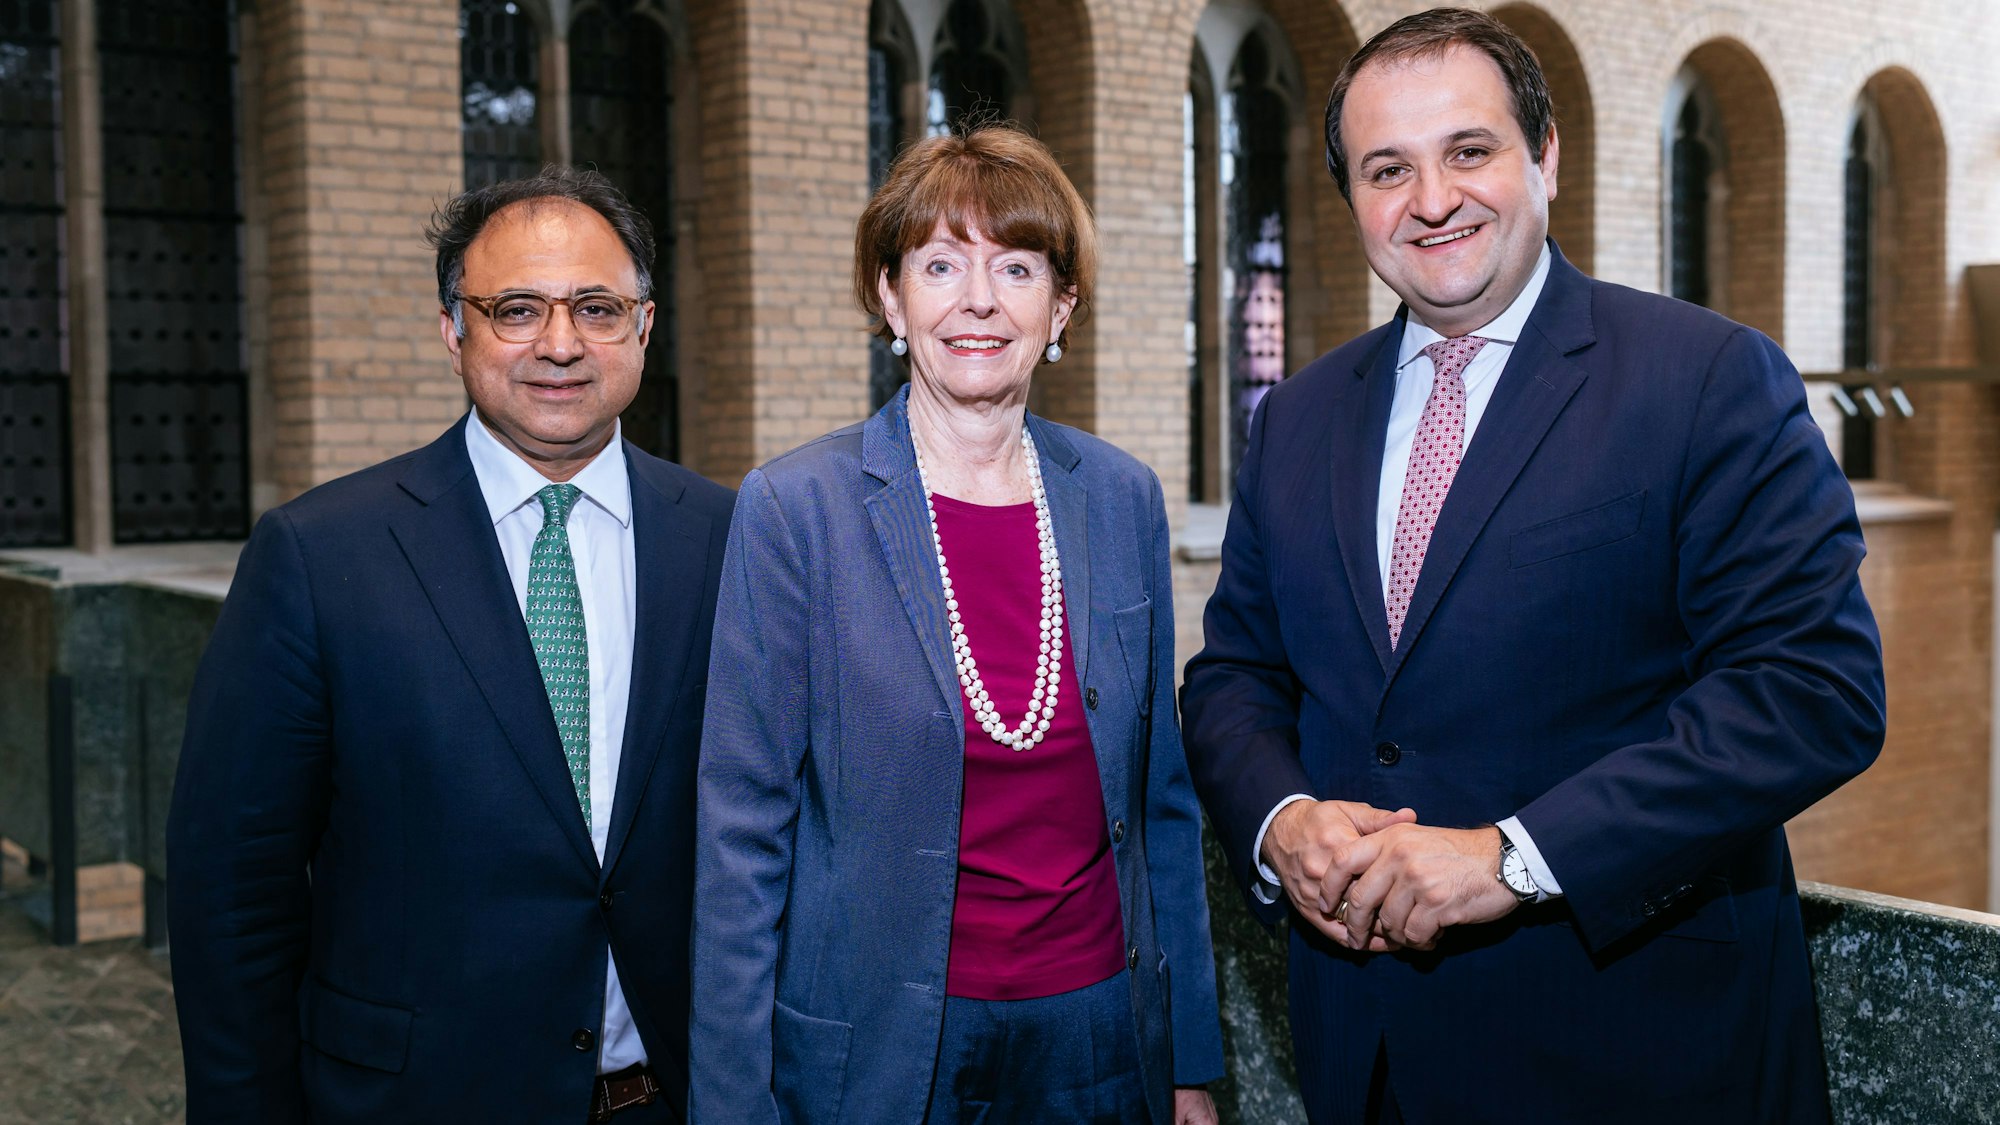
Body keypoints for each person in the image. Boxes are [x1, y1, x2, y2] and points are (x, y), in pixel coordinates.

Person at [1179, 9, 1886, 1123]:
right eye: (1384, 169)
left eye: (1468, 151)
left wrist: (1512, 858)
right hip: (1365, 1055)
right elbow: (1234, 677)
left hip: (1632, 1050)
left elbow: (1812, 692)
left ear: (1542, 153)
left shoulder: (1700, 380)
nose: (1431, 199)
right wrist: (1282, 820)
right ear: (1350, 198)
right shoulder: (1300, 416)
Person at [167, 167, 734, 1124]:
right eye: (516, 307)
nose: (560, 343)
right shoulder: (319, 554)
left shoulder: (731, 538)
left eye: (596, 307)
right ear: (452, 327)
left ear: (643, 327)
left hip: (672, 1098)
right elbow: (235, 894)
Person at [689, 125, 1224, 1125]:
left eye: (1014, 266)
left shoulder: (1120, 498)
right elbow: (739, 837)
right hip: (886, 1056)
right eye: (939, 263)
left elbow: (1162, 803)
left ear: (1058, 304)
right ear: (891, 297)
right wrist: (730, 1105)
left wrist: (1188, 1056)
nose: (976, 299)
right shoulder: (795, 510)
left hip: (1104, 1039)